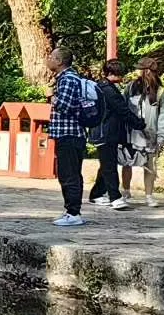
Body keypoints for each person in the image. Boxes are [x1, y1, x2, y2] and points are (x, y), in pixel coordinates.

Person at [90, 59, 144, 211]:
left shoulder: (103, 87)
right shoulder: (108, 90)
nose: (123, 76)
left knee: (107, 164)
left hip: (105, 132)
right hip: (105, 132)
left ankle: (97, 194)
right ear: (113, 73)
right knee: (109, 165)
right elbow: (123, 111)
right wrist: (140, 125)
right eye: (121, 73)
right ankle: (115, 197)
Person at [48, 47, 90, 228]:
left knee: (69, 174)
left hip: (69, 133)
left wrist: (51, 97)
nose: (47, 59)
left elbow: (65, 105)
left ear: (59, 61)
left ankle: (73, 213)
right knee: (69, 173)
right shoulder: (71, 78)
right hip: (71, 134)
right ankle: (71, 210)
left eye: (51, 57)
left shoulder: (67, 79)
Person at [122, 57, 164, 207]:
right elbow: (122, 107)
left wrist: (162, 136)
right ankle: (125, 191)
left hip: (150, 133)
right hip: (131, 132)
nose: (136, 71)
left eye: (139, 68)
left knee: (150, 164)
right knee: (127, 162)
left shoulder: (161, 92)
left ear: (146, 71)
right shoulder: (131, 87)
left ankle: (149, 195)